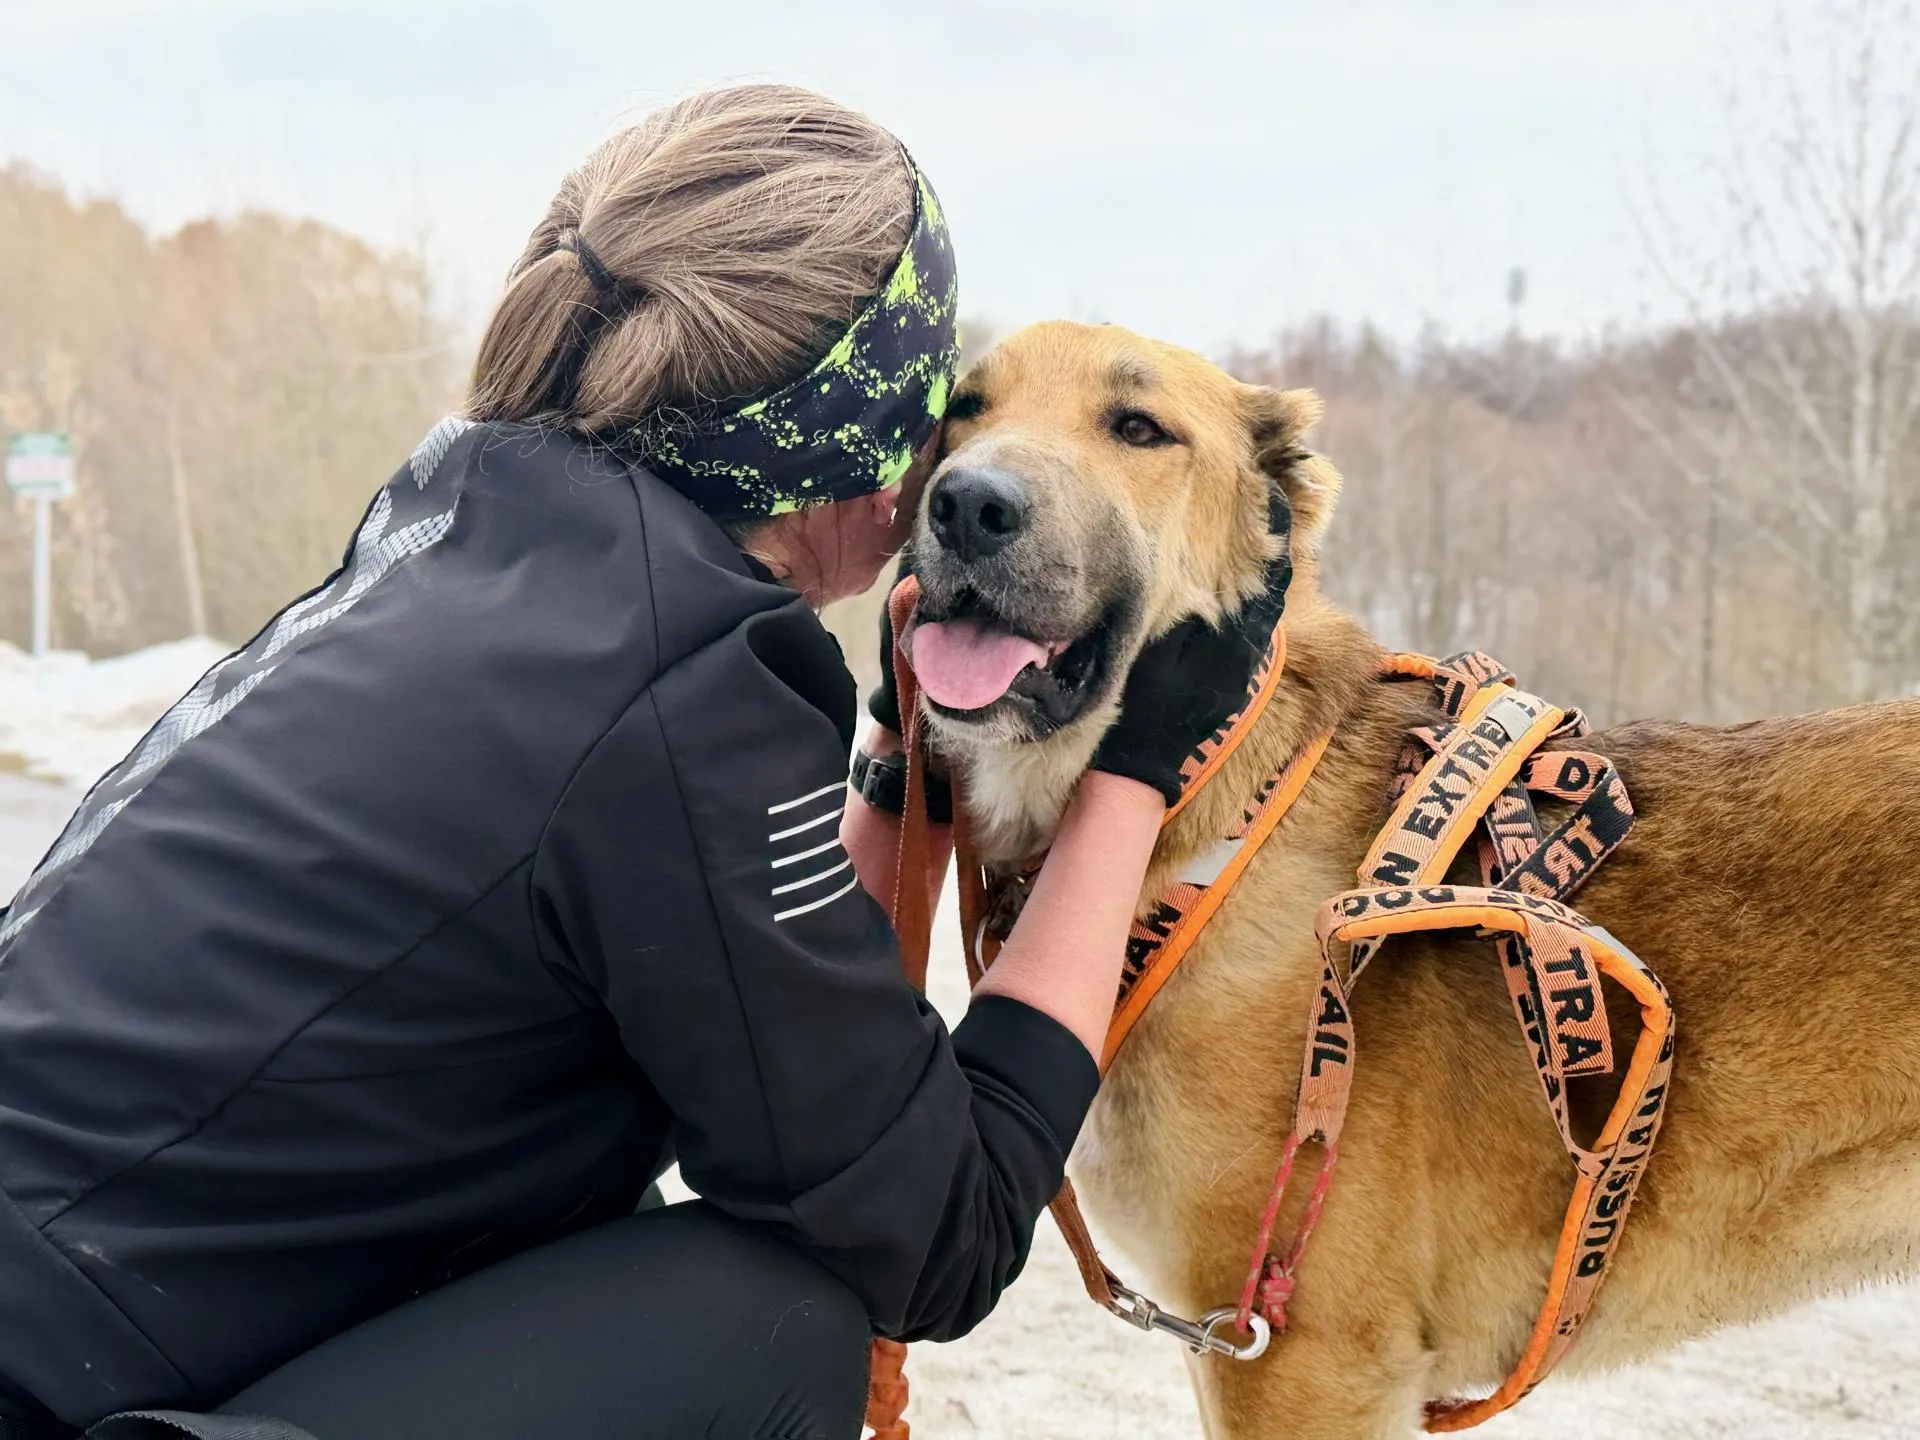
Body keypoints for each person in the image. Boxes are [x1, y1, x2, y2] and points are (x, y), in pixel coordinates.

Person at [0, 86, 1287, 1440]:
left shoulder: (469, 531)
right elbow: (940, 1234)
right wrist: (1137, 772)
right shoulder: (682, 691)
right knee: (769, 1324)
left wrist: (898, 763)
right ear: (860, 438)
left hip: (71, 1315)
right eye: (946, 403)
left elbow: (792, 1040)